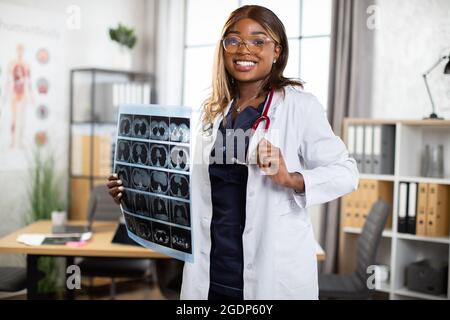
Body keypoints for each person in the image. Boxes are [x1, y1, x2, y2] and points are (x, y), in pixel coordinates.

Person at [107, 5, 358, 300]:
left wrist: (290, 178)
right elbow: (190, 189)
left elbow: (347, 172)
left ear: (277, 50)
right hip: (211, 275)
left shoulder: (299, 107)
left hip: (271, 277)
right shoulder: (211, 113)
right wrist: (135, 192)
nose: (244, 49)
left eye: (258, 40)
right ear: (223, 48)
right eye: (234, 40)